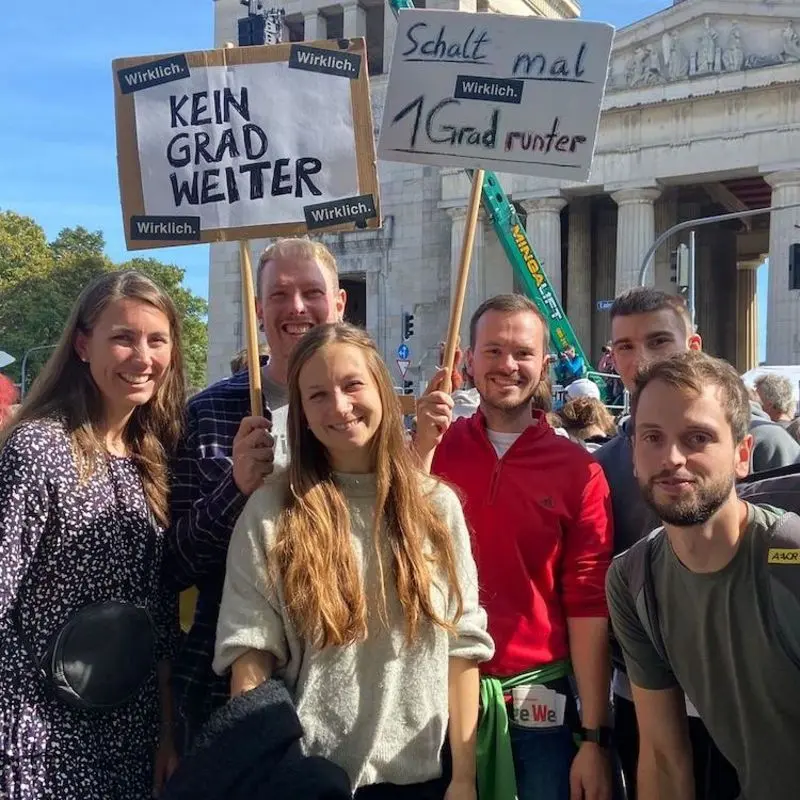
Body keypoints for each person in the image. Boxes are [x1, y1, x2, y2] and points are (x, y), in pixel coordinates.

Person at [213, 323, 494, 798]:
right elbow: (250, 656)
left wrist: (464, 779)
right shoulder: (271, 510)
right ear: (300, 412)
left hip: (421, 780)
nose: (339, 407)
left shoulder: (436, 507)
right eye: (317, 395)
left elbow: (463, 647)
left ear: (382, 388)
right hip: (307, 781)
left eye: (352, 385)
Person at [414, 294, 614, 800]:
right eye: (493, 351)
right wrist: (418, 448)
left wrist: (592, 736)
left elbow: (588, 603)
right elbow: (393, 541)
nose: (508, 365)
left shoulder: (581, 471)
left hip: (539, 708)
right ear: (466, 362)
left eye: (522, 353)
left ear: (543, 365)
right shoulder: (432, 450)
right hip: (431, 698)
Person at [0, 271, 184, 799]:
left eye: (157, 340)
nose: (142, 357)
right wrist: (18, 737)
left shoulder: (155, 459)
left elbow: (161, 613)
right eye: (122, 338)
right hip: (39, 737)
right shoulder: (39, 451)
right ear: (83, 345)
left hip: (129, 732)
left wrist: (166, 731)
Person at [164, 238, 346, 747]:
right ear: (258, 309)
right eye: (280, 294)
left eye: (312, 292)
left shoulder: (367, 412)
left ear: (339, 303)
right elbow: (173, 566)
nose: (297, 308)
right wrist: (235, 489)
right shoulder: (206, 413)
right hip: (226, 687)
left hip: (341, 679)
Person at [606, 351, 800, 800]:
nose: (672, 457)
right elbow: (663, 756)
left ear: (742, 455)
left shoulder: (789, 557)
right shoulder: (634, 580)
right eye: (652, 437)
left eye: (697, 437)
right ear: (634, 454)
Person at [595, 288, 746, 798]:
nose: (642, 361)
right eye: (625, 347)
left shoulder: (766, 449)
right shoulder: (603, 465)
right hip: (646, 686)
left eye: (659, 340)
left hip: (741, 688)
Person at [754, 374, 800, 443]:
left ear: (770, 404)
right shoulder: (795, 428)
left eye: (757, 398)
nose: (754, 402)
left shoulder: (768, 432)